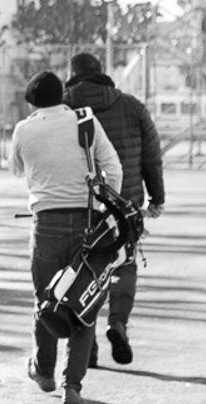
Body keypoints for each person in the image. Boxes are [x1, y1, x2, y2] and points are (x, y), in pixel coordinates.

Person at [10, 70, 122, 404]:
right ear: (63, 96)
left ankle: (43, 371)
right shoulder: (84, 121)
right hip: (87, 224)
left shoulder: (23, 129)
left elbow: (16, 169)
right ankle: (72, 386)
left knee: (46, 299)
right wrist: (105, 208)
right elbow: (114, 168)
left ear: (32, 101)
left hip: (45, 224)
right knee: (83, 305)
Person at [62, 52, 163, 366]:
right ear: (101, 72)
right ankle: (117, 322)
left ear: (72, 75)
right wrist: (156, 198)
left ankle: (86, 344)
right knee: (123, 265)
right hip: (124, 203)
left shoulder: (63, 110)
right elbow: (152, 156)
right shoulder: (132, 106)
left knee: (83, 270)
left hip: (78, 204)